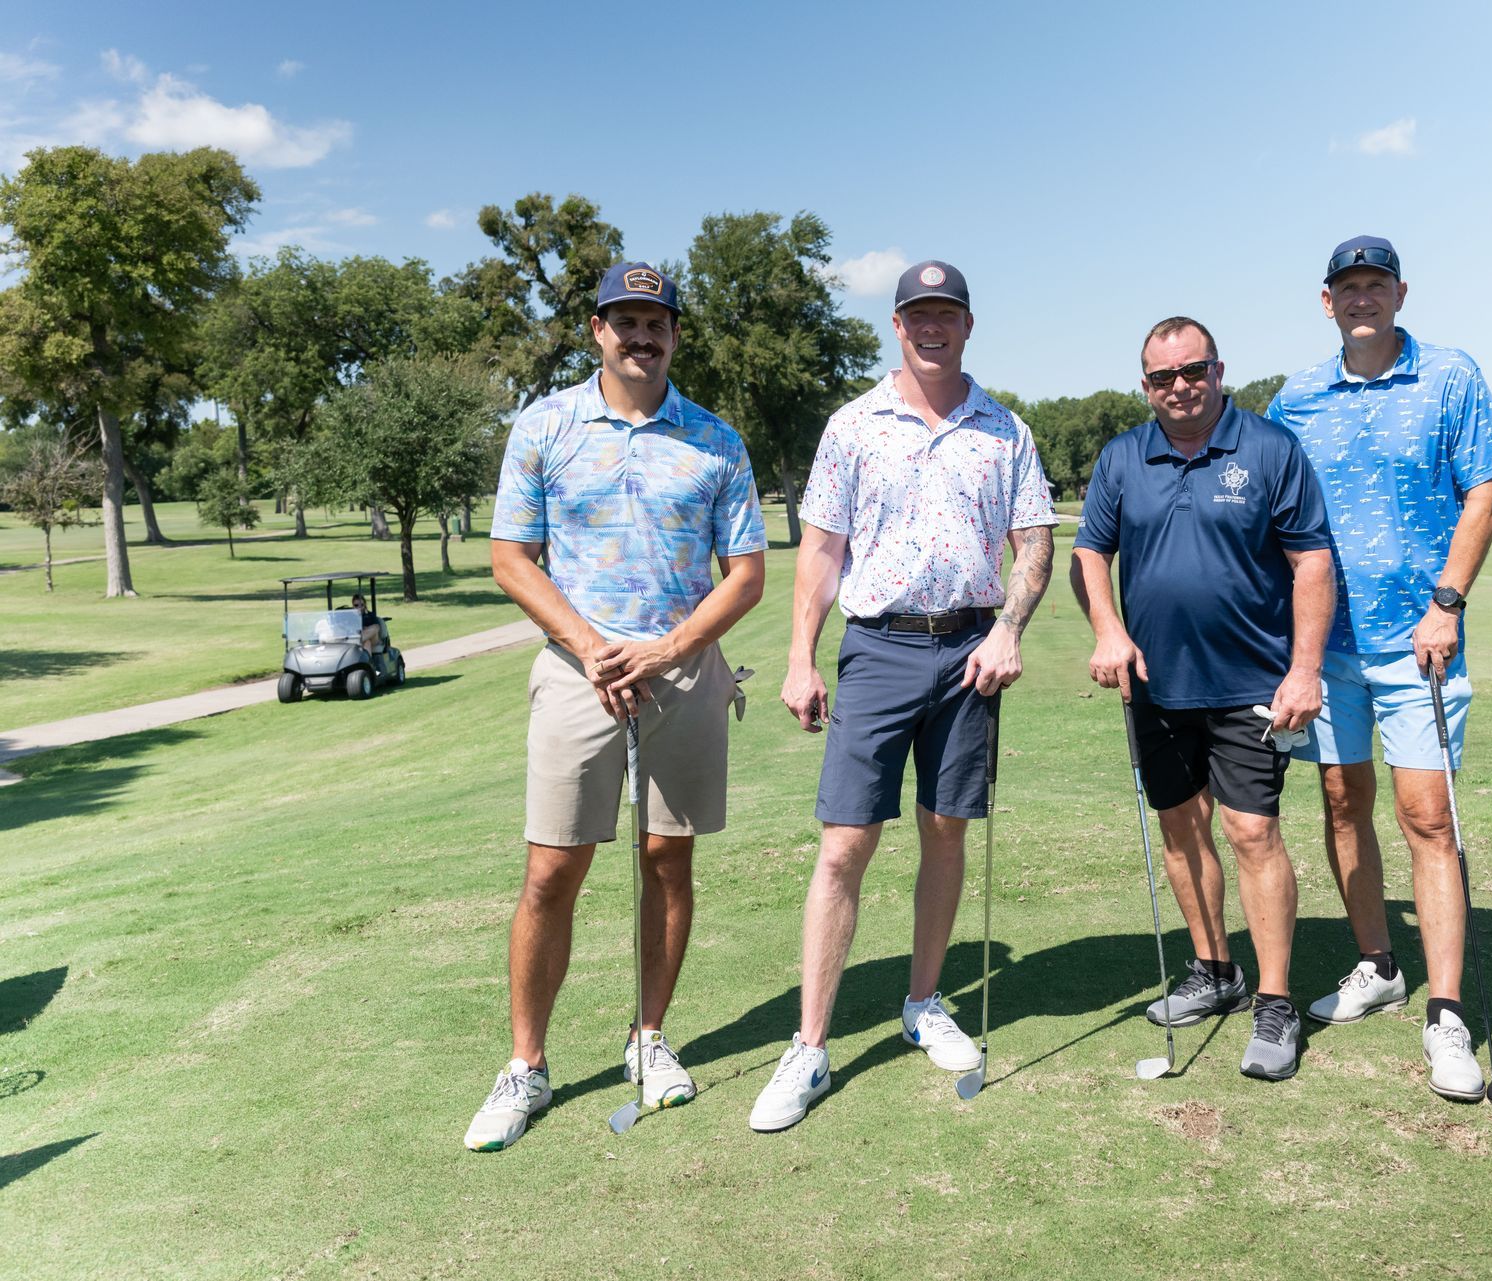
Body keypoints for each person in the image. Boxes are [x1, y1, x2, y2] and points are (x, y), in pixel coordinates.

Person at [465, 262, 768, 1151]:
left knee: (667, 861)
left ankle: (649, 1038)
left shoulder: (716, 440)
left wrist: (668, 648)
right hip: (577, 669)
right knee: (552, 870)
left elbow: (746, 574)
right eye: (626, 321)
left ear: (675, 335)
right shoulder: (546, 423)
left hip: (681, 671)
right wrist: (594, 646)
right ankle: (525, 1066)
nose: (643, 336)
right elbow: (512, 556)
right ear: (596, 328)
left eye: (658, 322)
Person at [750, 260, 1056, 1132]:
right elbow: (819, 550)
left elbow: (1031, 543)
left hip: (970, 647)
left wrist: (1010, 630)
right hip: (878, 648)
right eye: (917, 314)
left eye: (946, 314)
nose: (932, 328)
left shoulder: (1005, 430)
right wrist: (800, 657)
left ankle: (924, 1000)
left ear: (967, 324)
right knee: (846, 843)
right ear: (897, 324)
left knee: (945, 829)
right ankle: (809, 1045)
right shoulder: (853, 426)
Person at [1265, 236, 1492, 1103]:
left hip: (1420, 640)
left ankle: (1446, 1012)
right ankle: (1379, 962)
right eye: (1348, 286)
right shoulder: (1296, 397)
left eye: (1377, 284)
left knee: (1427, 816)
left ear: (1401, 292)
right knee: (1342, 801)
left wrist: (1447, 601)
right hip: (1326, 645)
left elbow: (1486, 486)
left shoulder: (1448, 377)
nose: (1362, 298)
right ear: (1325, 300)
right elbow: (1269, 506)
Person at [1070, 317, 1335, 1081]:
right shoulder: (1124, 455)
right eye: (1162, 377)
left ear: (1220, 371)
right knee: (1183, 830)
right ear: (1145, 385)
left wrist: (1304, 670)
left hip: (1253, 682)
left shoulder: (1269, 449)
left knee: (1254, 833)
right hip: (1154, 683)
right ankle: (1214, 969)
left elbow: (1311, 561)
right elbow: (1091, 550)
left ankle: (1276, 999)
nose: (1179, 387)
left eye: (1193, 371)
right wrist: (1108, 629)